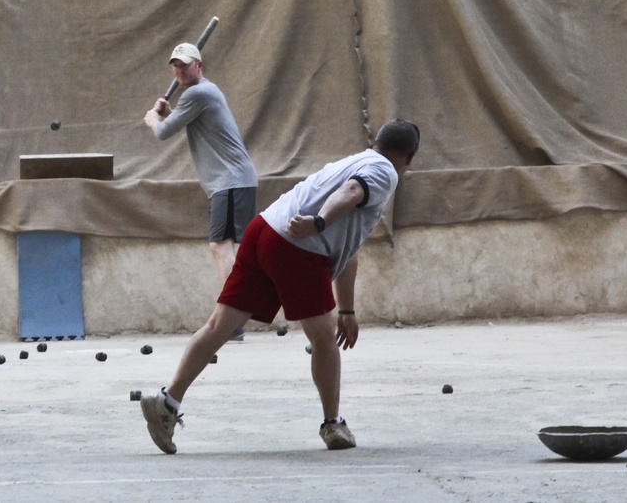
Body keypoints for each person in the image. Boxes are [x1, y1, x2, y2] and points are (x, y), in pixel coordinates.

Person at [139, 118, 420, 454]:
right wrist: (318, 223)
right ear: (410, 159)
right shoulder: (385, 171)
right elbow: (352, 192)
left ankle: (167, 402)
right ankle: (333, 424)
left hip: (264, 229)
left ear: (375, 141)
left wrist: (347, 309)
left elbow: (349, 252)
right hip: (298, 246)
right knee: (322, 337)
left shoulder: (352, 161)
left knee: (219, 326)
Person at [144, 42, 258, 341]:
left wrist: (153, 118)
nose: (180, 70)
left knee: (221, 247)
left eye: (185, 64)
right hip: (232, 181)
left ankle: (232, 320)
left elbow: (162, 132)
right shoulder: (199, 94)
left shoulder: (198, 93)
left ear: (199, 65)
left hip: (230, 181)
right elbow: (179, 122)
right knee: (226, 247)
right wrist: (169, 114)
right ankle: (235, 316)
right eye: (176, 66)